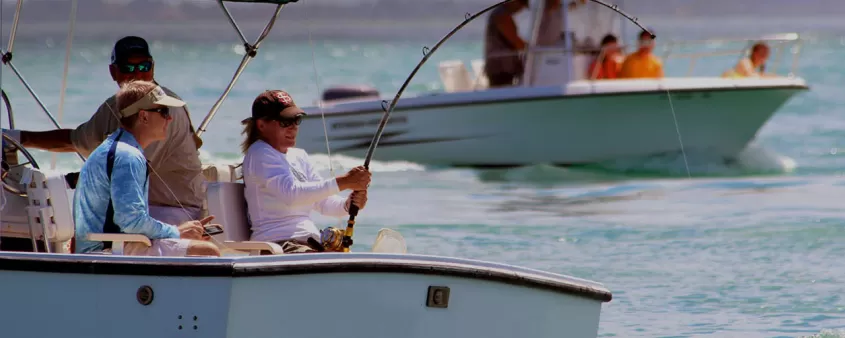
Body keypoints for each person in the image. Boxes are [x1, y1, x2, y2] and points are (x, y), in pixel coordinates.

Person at [2, 36, 205, 226]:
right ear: (113, 71)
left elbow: (124, 173)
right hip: (139, 207)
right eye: (128, 67)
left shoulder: (164, 109)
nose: (138, 74)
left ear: (153, 67)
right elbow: (74, 140)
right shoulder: (114, 106)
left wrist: (59, 182)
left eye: (144, 66)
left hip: (174, 210)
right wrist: (16, 138)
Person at [73, 80, 220, 257]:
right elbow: (131, 222)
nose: (170, 118)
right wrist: (177, 232)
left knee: (196, 247)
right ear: (143, 116)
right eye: (164, 111)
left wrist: (179, 233)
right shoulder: (128, 156)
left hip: (107, 246)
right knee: (206, 252)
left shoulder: (117, 148)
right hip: (108, 251)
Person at [240, 90, 371, 254]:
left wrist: (349, 204)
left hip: (311, 242)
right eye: (285, 122)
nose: (293, 127)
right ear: (261, 125)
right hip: (277, 243)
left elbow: (323, 203)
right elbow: (291, 195)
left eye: (296, 120)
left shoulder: (299, 156)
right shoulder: (260, 153)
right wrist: (345, 181)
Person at [483, 0, 529, 87]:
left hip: (505, 67)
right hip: (500, 68)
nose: (520, 9)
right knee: (499, 95)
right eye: (522, 4)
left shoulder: (502, 14)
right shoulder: (501, 15)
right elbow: (515, 41)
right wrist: (532, 49)